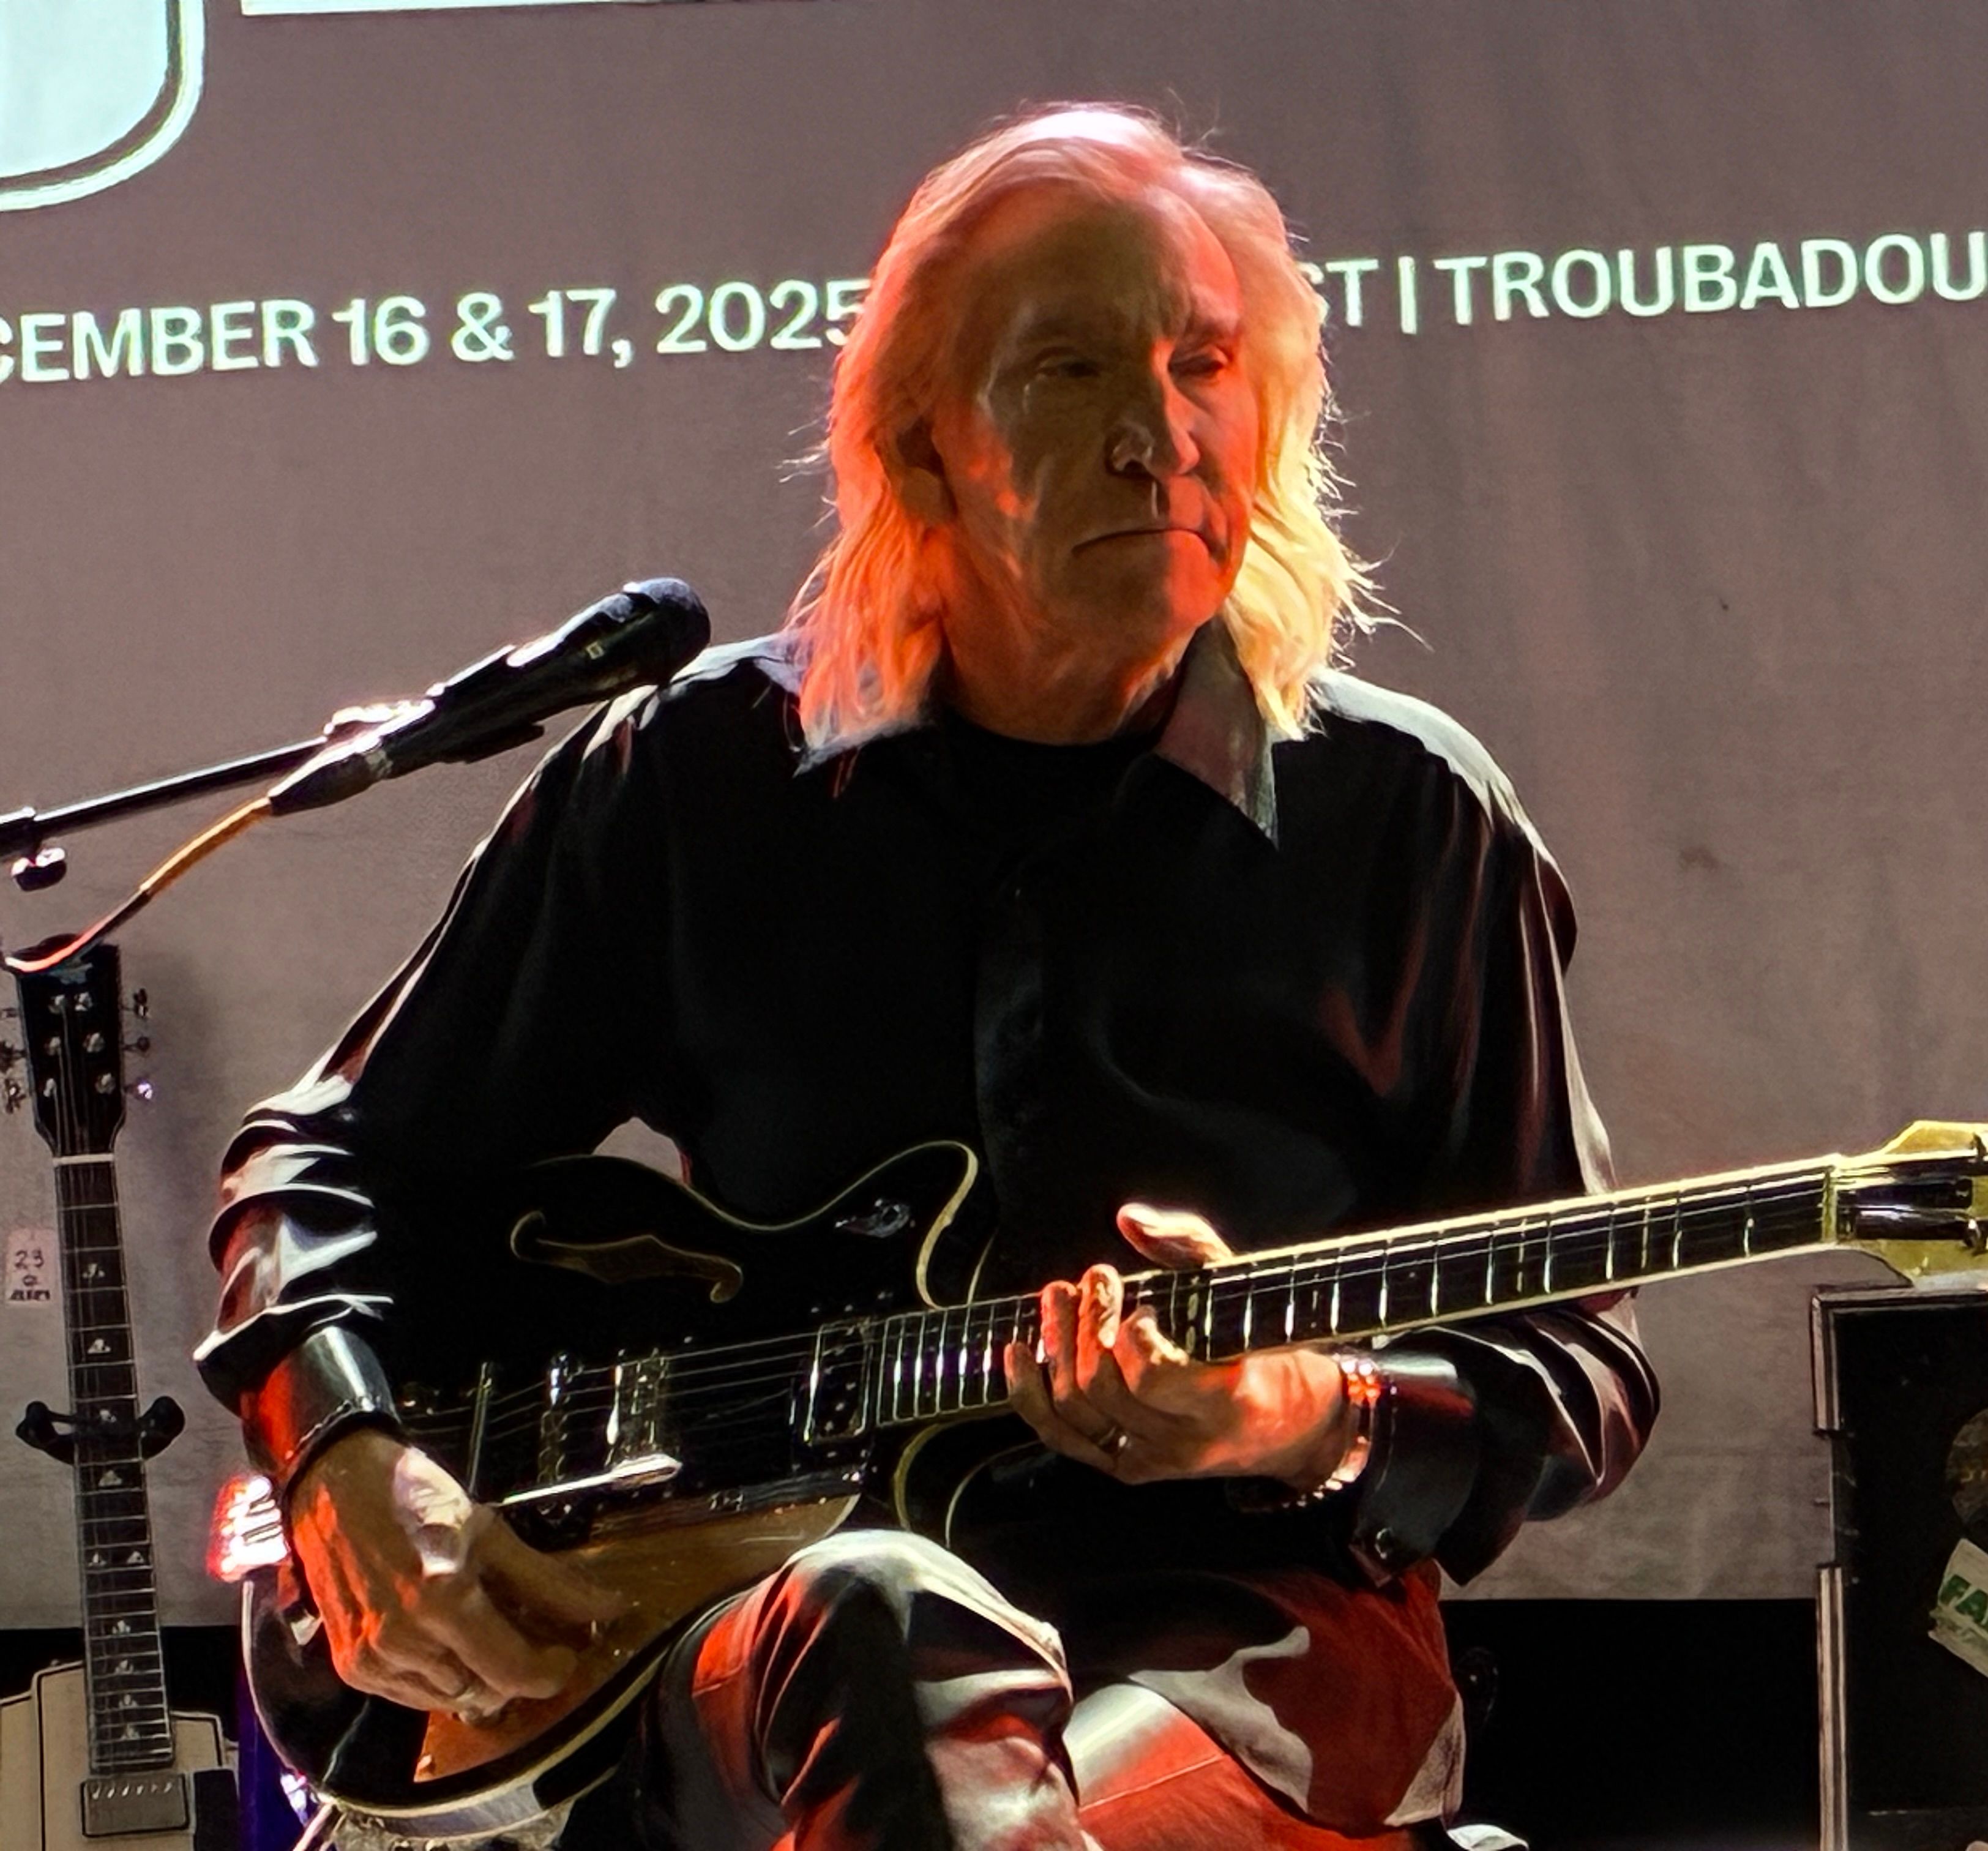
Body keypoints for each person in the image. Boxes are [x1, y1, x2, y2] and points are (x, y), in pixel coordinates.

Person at [198, 105, 1654, 1850]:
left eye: (1206, 365)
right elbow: (337, 1159)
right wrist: (344, 1448)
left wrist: (1296, 1409)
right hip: (784, 1625)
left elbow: (1575, 1367)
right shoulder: (702, 777)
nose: (1161, 437)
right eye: (1071, 372)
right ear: (921, 444)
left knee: (935, 1706)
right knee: (883, 1616)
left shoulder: (1410, 819)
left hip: (1248, 1662)